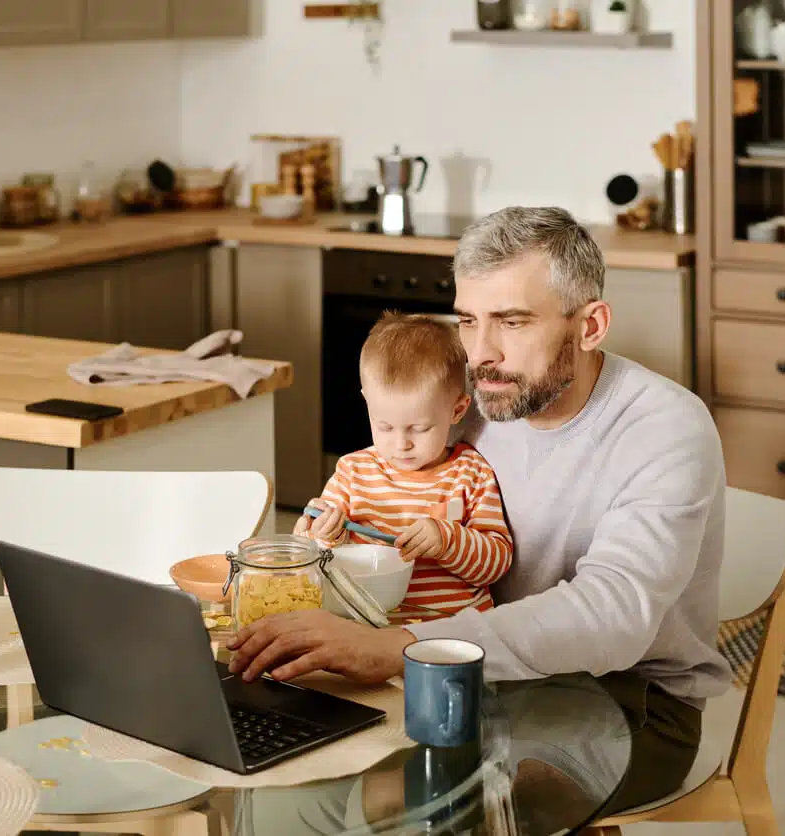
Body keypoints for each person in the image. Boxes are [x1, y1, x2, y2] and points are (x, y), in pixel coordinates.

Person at [228, 206, 731, 813]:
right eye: (468, 320)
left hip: (631, 703)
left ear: (590, 325)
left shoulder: (662, 428)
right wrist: (330, 536)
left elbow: (614, 616)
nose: (481, 352)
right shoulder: (477, 403)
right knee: (292, 759)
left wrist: (400, 646)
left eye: (512, 322)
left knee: (414, 800)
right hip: (479, 674)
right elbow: (385, 499)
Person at [295, 312, 513, 614]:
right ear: (367, 403)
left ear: (457, 410)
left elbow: (496, 564)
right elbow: (310, 557)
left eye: (419, 429)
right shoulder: (352, 473)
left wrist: (448, 541)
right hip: (368, 623)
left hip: (453, 628)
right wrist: (321, 535)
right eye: (384, 426)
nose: (401, 444)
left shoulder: (471, 473)